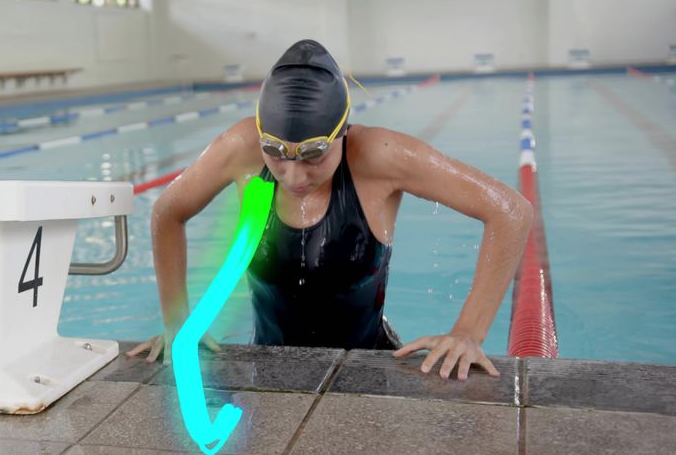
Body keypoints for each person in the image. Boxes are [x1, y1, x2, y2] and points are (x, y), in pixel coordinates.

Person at [127, 40, 532, 380]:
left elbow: (511, 211)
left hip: (371, 369)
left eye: (313, 155)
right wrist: (176, 321)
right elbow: (168, 211)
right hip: (268, 368)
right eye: (277, 154)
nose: (294, 175)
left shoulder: (380, 156)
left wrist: (468, 332)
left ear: (341, 132)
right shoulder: (241, 149)